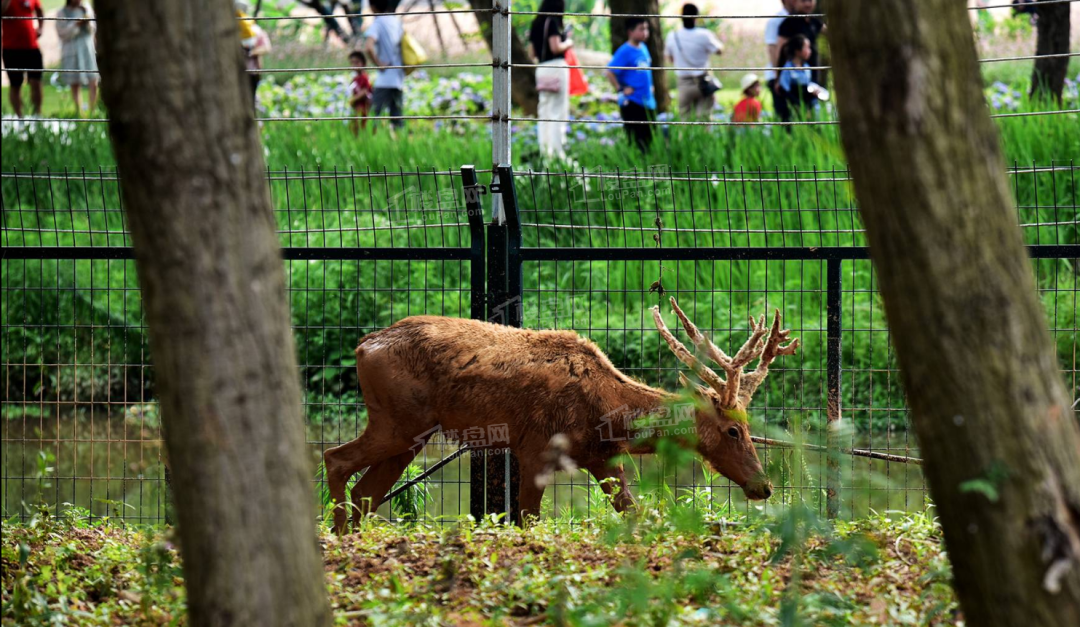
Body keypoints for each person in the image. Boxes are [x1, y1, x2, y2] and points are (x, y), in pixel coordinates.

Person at [528, 0, 574, 158]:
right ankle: (557, 154)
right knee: (558, 112)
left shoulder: (535, 23)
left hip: (541, 69)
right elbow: (555, 47)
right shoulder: (553, 21)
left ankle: (545, 153)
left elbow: (532, 54)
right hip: (556, 67)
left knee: (544, 112)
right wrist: (568, 42)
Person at [664, 3, 723, 119]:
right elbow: (719, 50)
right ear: (696, 17)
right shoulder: (704, 35)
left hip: (684, 83)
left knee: (685, 120)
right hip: (703, 82)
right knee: (704, 119)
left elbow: (670, 58)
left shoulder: (672, 36)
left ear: (681, 17)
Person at [605, 18, 656, 152]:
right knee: (637, 141)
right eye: (641, 29)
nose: (645, 32)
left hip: (647, 101)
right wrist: (620, 88)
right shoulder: (625, 51)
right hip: (633, 102)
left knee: (650, 139)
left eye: (646, 29)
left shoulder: (644, 48)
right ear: (630, 32)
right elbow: (610, 71)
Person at [364, 0, 405, 134]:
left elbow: (368, 47)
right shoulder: (395, 21)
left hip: (385, 78)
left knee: (374, 116)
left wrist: (378, 63)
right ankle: (400, 145)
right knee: (397, 118)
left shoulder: (378, 23)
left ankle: (371, 144)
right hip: (399, 76)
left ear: (372, 6)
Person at [1, 0, 46, 118]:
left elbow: (40, 10)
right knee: (15, 84)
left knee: (36, 82)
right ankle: (20, 118)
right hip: (11, 49)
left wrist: (41, 27)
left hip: (32, 47)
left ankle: (37, 116)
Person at [56, 0, 99, 117]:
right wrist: (76, 24)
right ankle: (79, 112)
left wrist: (87, 21)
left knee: (93, 79)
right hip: (72, 49)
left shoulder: (86, 8)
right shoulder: (62, 12)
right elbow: (62, 33)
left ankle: (92, 109)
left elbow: (92, 29)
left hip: (87, 48)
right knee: (75, 82)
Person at [777, 0, 825, 85]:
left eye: (810, 1)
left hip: (813, 71)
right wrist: (779, 76)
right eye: (803, 1)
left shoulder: (814, 21)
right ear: (796, 2)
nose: (807, 4)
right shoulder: (789, 23)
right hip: (795, 75)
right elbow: (781, 50)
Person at [764, 0, 796, 121]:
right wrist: (779, 75)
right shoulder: (776, 21)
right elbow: (772, 48)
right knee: (784, 115)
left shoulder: (803, 19)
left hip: (796, 74)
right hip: (779, 75)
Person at [776, 35, 816, 120]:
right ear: (797, 51)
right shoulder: (788, 69)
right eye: (807, 48)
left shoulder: (807, 67)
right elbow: (785, 90)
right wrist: (799, 107)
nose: (810, 51)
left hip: (808, 107)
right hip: (794, 108)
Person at [348, 49, 372, 136]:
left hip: (363, 107)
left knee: (363, 126)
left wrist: (353, 99)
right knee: (355, 126)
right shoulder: (354, 79)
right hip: (357, 107)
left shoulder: (364, 77)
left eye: (357, 62)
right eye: (352, 63)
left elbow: (365, 91)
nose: (354, 65)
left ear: (363, 63)